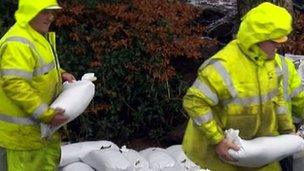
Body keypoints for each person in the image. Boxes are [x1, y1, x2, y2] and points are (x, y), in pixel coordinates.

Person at [182, 2, 304, 171]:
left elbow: (291, 102)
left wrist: (288, 133)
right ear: (257, 38)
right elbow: (194, 102)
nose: (279, 46)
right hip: (223, 154)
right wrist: (218, 140)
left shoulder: (280, 65)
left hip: (260, 153)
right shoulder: (224, 67)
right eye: (274, 40)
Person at [0, 0, 75, 170]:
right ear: (29, 12)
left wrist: (61, 73)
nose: (50, 17)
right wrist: (46, 114)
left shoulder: (35, 36)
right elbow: (14, 83)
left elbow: (38, 70)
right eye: (44, 12)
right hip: (20, 141)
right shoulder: (18, 43)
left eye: (52, 12)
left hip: (37, 136)